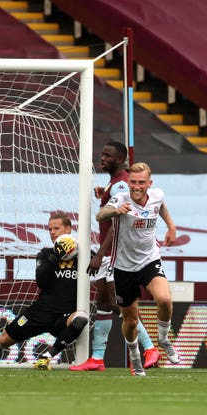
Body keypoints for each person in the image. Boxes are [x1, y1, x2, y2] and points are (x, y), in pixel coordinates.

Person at [0, 213, 89, 370]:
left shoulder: (84, 256)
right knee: (4, 339)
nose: (52, 232)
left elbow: (100, 269)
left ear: (68, 229)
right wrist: (55, 258)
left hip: (64, 315)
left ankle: (46, 358)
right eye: (50, 229)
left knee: (81, 318)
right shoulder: (45, 254)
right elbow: (41, 282)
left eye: (56, 228)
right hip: (40, 312)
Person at [70, 141, 160, 371]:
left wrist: (100, 254)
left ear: (120, 160)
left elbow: (115, 224)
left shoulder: (121, 186)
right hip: (110, 252)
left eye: (108, 155)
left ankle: (150, 347)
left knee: (118, 303)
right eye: (102, 154)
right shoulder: (116, 184)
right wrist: (105, 193)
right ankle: (98, 358)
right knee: (103, 302)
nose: (102, 158)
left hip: (114, 253)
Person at [96, 161, 178, 376]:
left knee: (165, 300)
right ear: (128, 182)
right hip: (123, 267)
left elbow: (162, 208)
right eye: (133, 182)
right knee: (131, 322)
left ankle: (162, 339)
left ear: (149, 183)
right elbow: (100, 215)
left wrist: (171, 226)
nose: (137, 186)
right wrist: (115, 210)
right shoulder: (121, 199)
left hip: (149, 261)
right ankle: (134, 355)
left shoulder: (157, 195)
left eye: (142, 182)